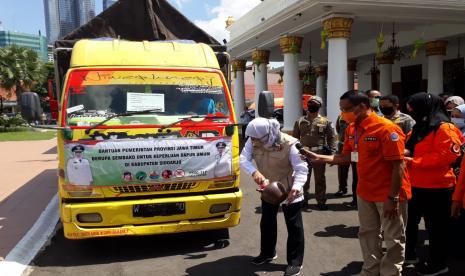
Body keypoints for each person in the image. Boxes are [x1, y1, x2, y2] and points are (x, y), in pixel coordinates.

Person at [301, 90, 411, 276]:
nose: (343, 113)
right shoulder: (353, 129)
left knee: (393, 238)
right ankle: (370, 270)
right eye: (341, 109)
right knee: (367, 234)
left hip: (388, 194)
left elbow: (398, 166)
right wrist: (319, 157)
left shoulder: (387, 129)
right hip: (365, 192)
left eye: (346, 109)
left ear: (362, 107)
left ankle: (390, 273)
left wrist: (392, 197)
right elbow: (346, 157)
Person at [404, 92, 462, 275]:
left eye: (415, 108)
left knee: (436, 229)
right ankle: (410, 255)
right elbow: (409, 146)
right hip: (414, 184)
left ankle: (439, 263)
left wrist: (413, 161)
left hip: (438, 188)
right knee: (410, 223)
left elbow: (447, 156)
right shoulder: (420, 126)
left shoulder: (445, 128)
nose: (412, 112)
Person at [240, 117, 308, 276]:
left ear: (268, 134)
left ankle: (295, 262)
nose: (254, 141)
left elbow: (301, 169)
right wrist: (254, 172)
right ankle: (268, 253)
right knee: (267, 223)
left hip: (289, 189)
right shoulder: (254, 139)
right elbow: (243, 158)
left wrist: (296, 189)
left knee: (294, 227)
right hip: (268, 189)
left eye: (257, 138)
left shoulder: (291, 144)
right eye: (252, 138)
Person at [292, 96, 336, 210]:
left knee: (320, 178)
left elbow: (331, 138)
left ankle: (321, 201)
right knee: (303, 177)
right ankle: (303, 199)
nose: (312, 105)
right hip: (303, 154)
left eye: (315, 103)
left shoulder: (325, 121)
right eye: (310, 103)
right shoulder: (300, 121)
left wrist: (333, 153)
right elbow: (294, 139)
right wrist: (293, 154)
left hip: (319, 154)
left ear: (319, 106)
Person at [335, 114, 358, 207]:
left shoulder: (357, 116)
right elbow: (338, 129)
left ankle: (355, 195)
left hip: (355, 149)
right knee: (342, 168)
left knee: (356, 171)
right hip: (342, 145)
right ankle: (342, 188)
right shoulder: (340, 116)